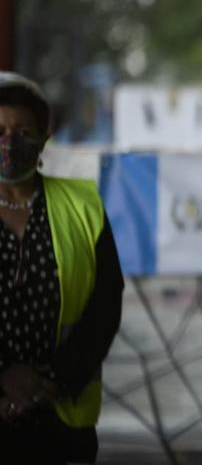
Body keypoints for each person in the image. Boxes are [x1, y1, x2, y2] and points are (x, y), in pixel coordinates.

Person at [0, 72, 123, 464]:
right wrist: (4, 376)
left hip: (62, 416)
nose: (9, 141)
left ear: (43, 139)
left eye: (22, 130)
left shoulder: (82, 205)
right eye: (0, 129)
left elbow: (105, 305)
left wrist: (53, 378)